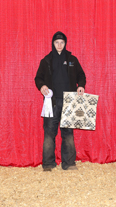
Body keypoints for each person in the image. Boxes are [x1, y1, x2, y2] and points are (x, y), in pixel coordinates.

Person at [35, 31, 86, 171]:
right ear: (53, 43)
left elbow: (81, 75)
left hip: (69, 103)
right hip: (52, 103)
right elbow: (38, 78)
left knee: (68, 133)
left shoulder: (72, 59)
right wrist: (42, 86)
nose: (59, 45)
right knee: (49, 134)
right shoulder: (46, 61)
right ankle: (48, 164)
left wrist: (81, 85)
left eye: (62, 42)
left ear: (65, 43)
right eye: (56, 42)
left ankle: (69, 163)